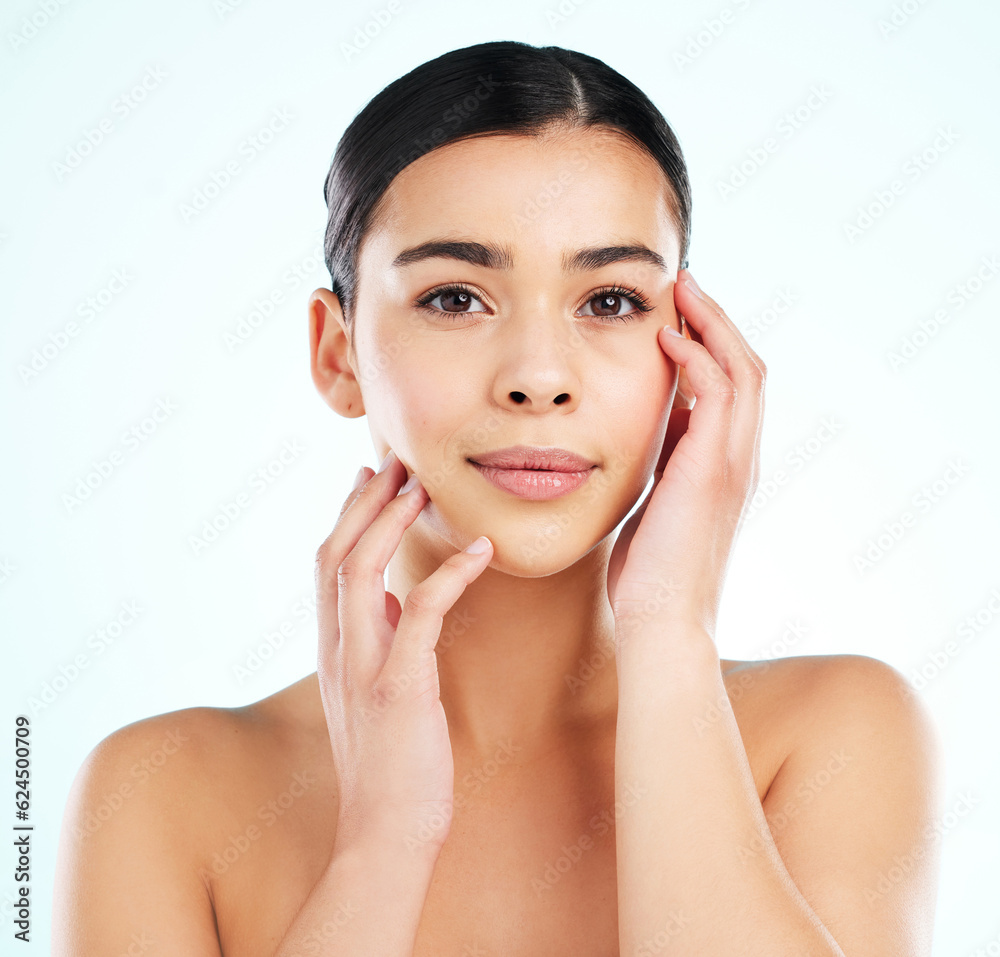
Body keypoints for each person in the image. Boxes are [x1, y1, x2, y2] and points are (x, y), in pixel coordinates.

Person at [52, 39, 943, 956]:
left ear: (692, 355)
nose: (540, 377)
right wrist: (381, 847)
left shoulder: (833, 735)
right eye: (454, 297)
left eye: (609, 302)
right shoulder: (158, 795)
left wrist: (670, 630)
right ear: (337, 353)